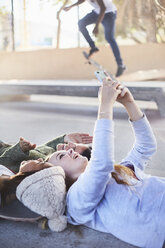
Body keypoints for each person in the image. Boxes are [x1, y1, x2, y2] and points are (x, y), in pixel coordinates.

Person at [20, 78, 165, 247]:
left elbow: (145, 147)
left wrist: (129, 103)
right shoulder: (75, 201)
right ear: (56, 177)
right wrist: (105, 106)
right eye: (61, 156)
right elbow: (100, 165)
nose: (70, 150)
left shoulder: (115, 172)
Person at [63, 0, 126, 77]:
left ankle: (121, 65)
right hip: (97, 12)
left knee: (109, 38)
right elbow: (81, 0)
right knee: (81, 23)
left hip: (109, 13)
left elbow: (103, 8)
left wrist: (96, 26)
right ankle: (93, 47)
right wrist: (71, 6)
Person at [0, 133, 92, 173]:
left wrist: (20, 149)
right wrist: (63, 139)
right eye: (74, 144)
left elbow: (3, 165)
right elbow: (47, 147)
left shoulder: (36, 166)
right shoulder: (52, 153)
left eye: (74, 149)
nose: (70, 148)